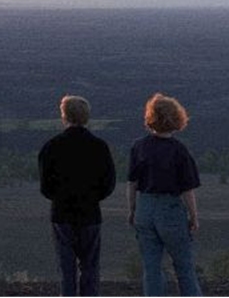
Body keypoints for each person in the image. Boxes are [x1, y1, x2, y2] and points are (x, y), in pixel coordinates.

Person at [38, 95, 116, 296]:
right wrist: (93, 197)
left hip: (62, 214)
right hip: (90, 213)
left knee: (66, 269)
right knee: (90, 267)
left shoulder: (51, 146)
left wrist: (60, 197)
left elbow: (46, 187)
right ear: (86, 117)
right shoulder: (99, 146)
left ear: (64, 116)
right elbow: (109, 183)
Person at [127, 93, 202, 296]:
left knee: (151, 267)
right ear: (176, 118)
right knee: (184, 266)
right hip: (170, 210)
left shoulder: (139, 147)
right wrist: (194, 216)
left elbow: (132, 183)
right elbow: (187, 189)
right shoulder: (179, 151)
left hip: (145, 208)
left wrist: (133, 209)